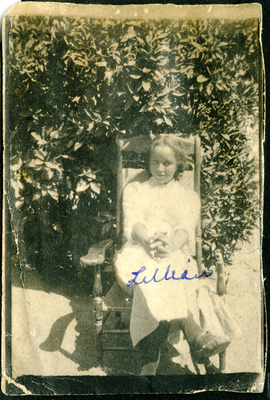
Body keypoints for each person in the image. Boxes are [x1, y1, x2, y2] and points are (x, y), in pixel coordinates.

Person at [115, 134, 231, 375]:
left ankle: (148, 367)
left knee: (165, 274)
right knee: (158, 275)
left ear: (178, 164)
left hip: (173, 252)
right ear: (148, 161)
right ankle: (195, 335)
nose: (160, 168)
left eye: (167, 163)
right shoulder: (135, 190)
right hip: (138, 252)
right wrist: (149, 241)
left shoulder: (187, 196)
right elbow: (133, 224)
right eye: (155, 161)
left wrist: (171, 245)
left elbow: (184, 229)